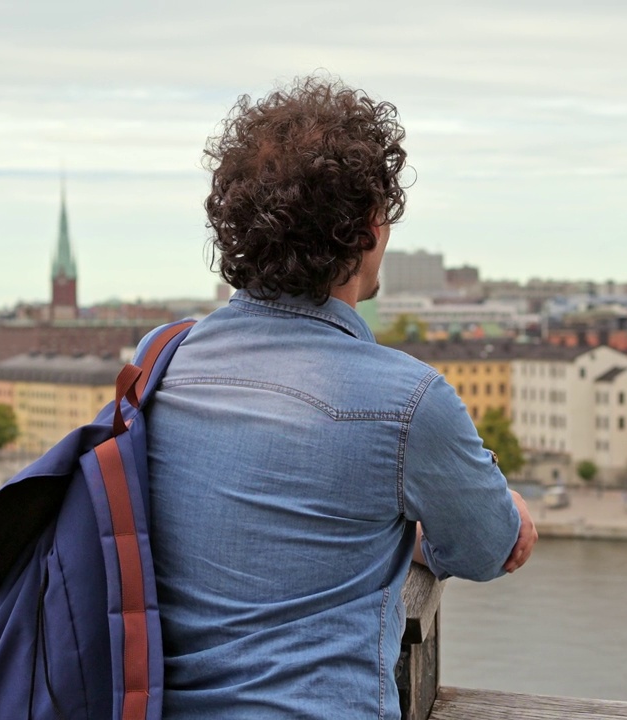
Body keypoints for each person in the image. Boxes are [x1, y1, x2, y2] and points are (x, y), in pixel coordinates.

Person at [144, 75, 537, 719]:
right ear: (365, 233)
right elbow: (493, 545)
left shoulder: (160, 358)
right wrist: (439, 522)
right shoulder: (407, 401)